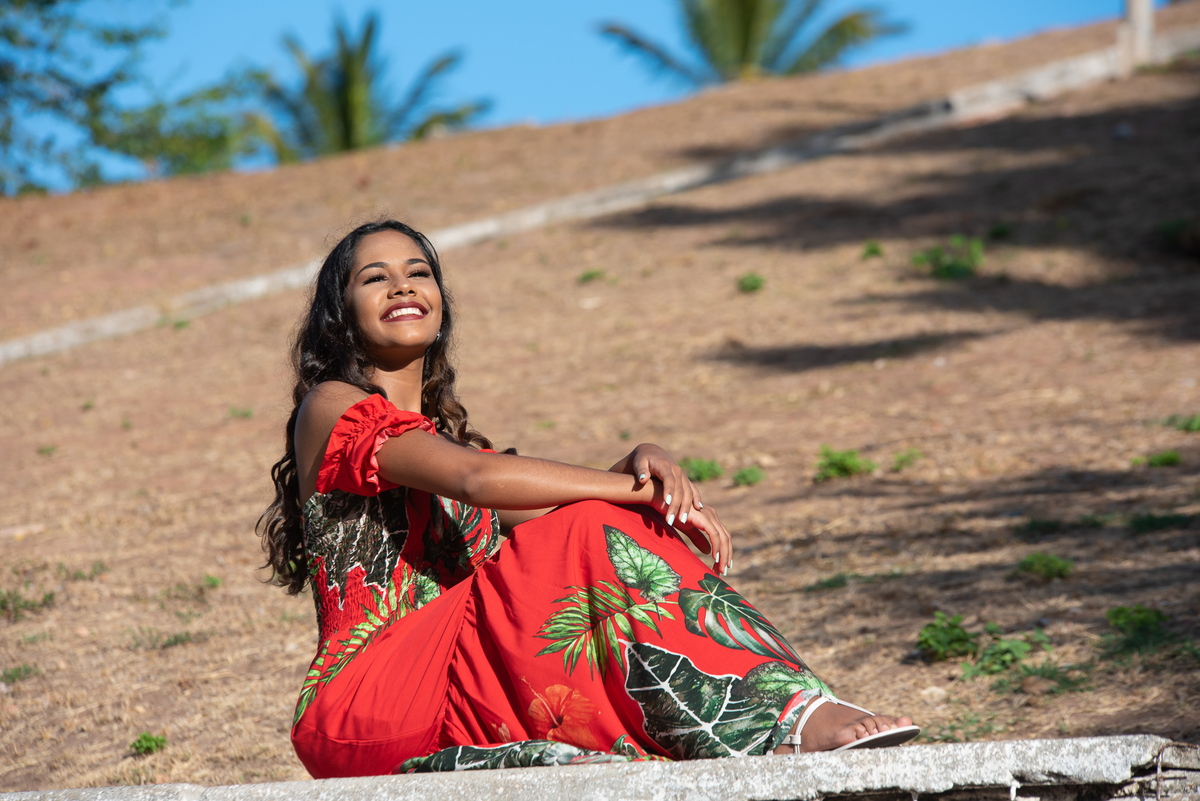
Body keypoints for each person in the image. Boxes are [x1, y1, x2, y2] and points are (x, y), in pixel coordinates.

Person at [258, 219, 917, 778]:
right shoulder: (331, 408)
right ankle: (792, 716)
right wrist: (633, 487)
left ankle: (767, 717)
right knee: (600, 519)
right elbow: (475, 481)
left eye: (418, 272)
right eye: (374, 276)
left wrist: (641, 465)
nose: (402, 283)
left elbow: (559, 522)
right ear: (340, 312)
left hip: (454, 689)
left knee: (611, 529)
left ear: (440, 300)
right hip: (367, 698)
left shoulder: (447, 447)